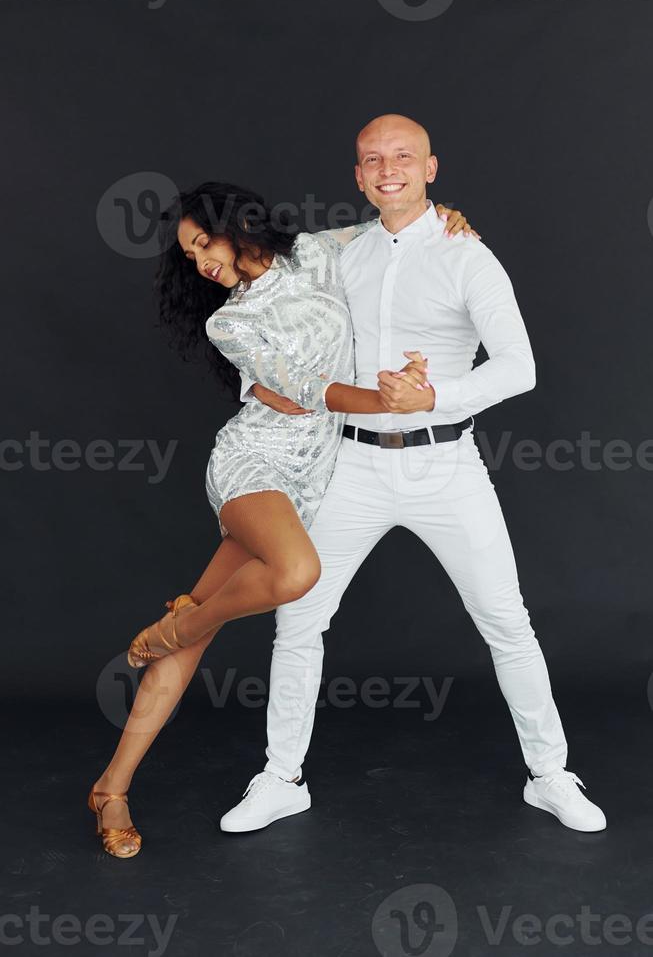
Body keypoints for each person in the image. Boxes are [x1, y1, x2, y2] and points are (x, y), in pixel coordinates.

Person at [219, 114, 607, 836]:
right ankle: (281, 778)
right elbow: (258, 279)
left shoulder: (468, 256)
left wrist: (436, 398)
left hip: (445, 463)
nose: (386, 168)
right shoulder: (331, 252)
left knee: (505, 621)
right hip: (350, 463)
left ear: (431, 168)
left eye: (402, 157)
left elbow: (519, 368)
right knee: (298, 619)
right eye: (372, 159)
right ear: (358, 175)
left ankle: (550, 775)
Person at [87, 179, 474, 858]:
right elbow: (310, 391)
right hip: (254, 462)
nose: (200, 262)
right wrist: (393, 406)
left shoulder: (316, 254)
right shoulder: (227, 321)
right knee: (294, 572)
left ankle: (111, 787)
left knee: (193, 634)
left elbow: (388, 226)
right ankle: (179, 624)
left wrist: (443, 218)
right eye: (189, 256)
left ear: (233, 224)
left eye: (202, 242)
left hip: (312, 474)